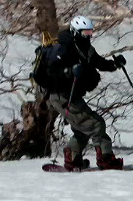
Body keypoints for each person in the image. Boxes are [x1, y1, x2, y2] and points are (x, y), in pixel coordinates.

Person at [47, 15, 126, 171]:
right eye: (86, 32)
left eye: (90, 32)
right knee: (96, 124)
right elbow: (53, 71)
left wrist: (115, 64)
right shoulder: (65, 47)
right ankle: (105, 158)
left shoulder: (85, 48)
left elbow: (98, 62)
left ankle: (72, 157)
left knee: (83, 127)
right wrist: (69, 71)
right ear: (76, 32)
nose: (89, 35)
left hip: (72, 95)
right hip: (62, 96)